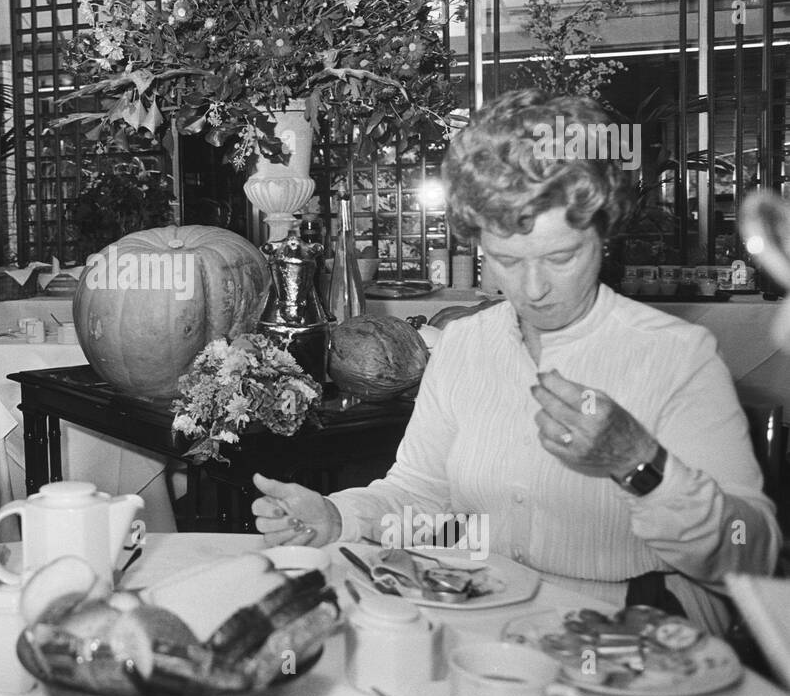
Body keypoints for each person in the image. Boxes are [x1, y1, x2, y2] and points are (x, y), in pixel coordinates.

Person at [254, 89, 780, 634]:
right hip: (482, 615)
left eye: (561, 257)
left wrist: (640, 464)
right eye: (506, 259)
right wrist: (338, 517)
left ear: (604, 233)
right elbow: (421, 492)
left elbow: (752, 556)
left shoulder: (676, 355)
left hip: (633, 630)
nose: (533, 289)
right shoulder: (465, 344)